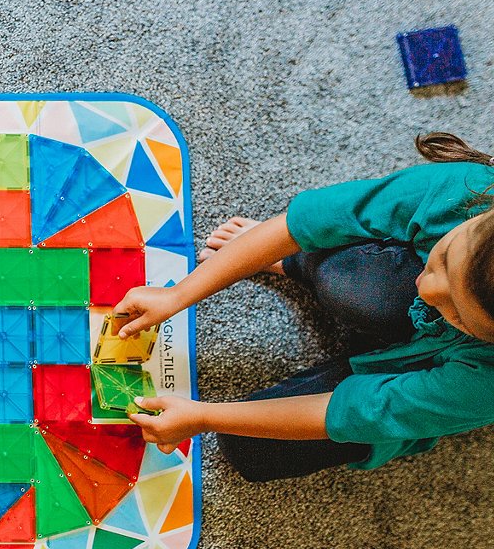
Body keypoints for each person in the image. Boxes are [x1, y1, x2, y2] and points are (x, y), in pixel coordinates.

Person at [114, 133, 494, 481]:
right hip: (392, 292)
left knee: (250, 451)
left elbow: (355, 412)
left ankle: (405, 412)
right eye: (442, 260)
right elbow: (308, 223)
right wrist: (176, 295)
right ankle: (297, 263)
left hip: (418, 374)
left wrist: (203, 416)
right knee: (341, 275)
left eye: (459, 312)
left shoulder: (485, 385)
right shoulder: (464, 190)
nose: (427, 289)